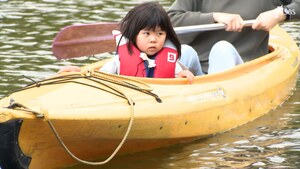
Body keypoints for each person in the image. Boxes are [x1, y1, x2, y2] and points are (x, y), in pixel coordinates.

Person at [167, 0, 300, 73]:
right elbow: (170, 19)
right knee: (184, 51)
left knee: (222, 49)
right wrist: (214, 17)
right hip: (197, 71)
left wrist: (280, 13)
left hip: (242, 70)